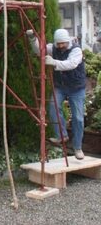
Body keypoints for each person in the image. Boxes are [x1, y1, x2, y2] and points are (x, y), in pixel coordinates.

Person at [27, 28, 86, 160]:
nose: (60, 46)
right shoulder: (53, 48)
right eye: (58, 44)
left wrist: (54, 62)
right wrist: (32, 39)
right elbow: (39, 50)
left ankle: (78, 148)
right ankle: (61, 136)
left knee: (78, 118)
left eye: (62, 43)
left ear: (67, 41)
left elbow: (71, 64)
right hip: (61, 86)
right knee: (53, 107)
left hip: (77, 88)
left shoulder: (76, 50)